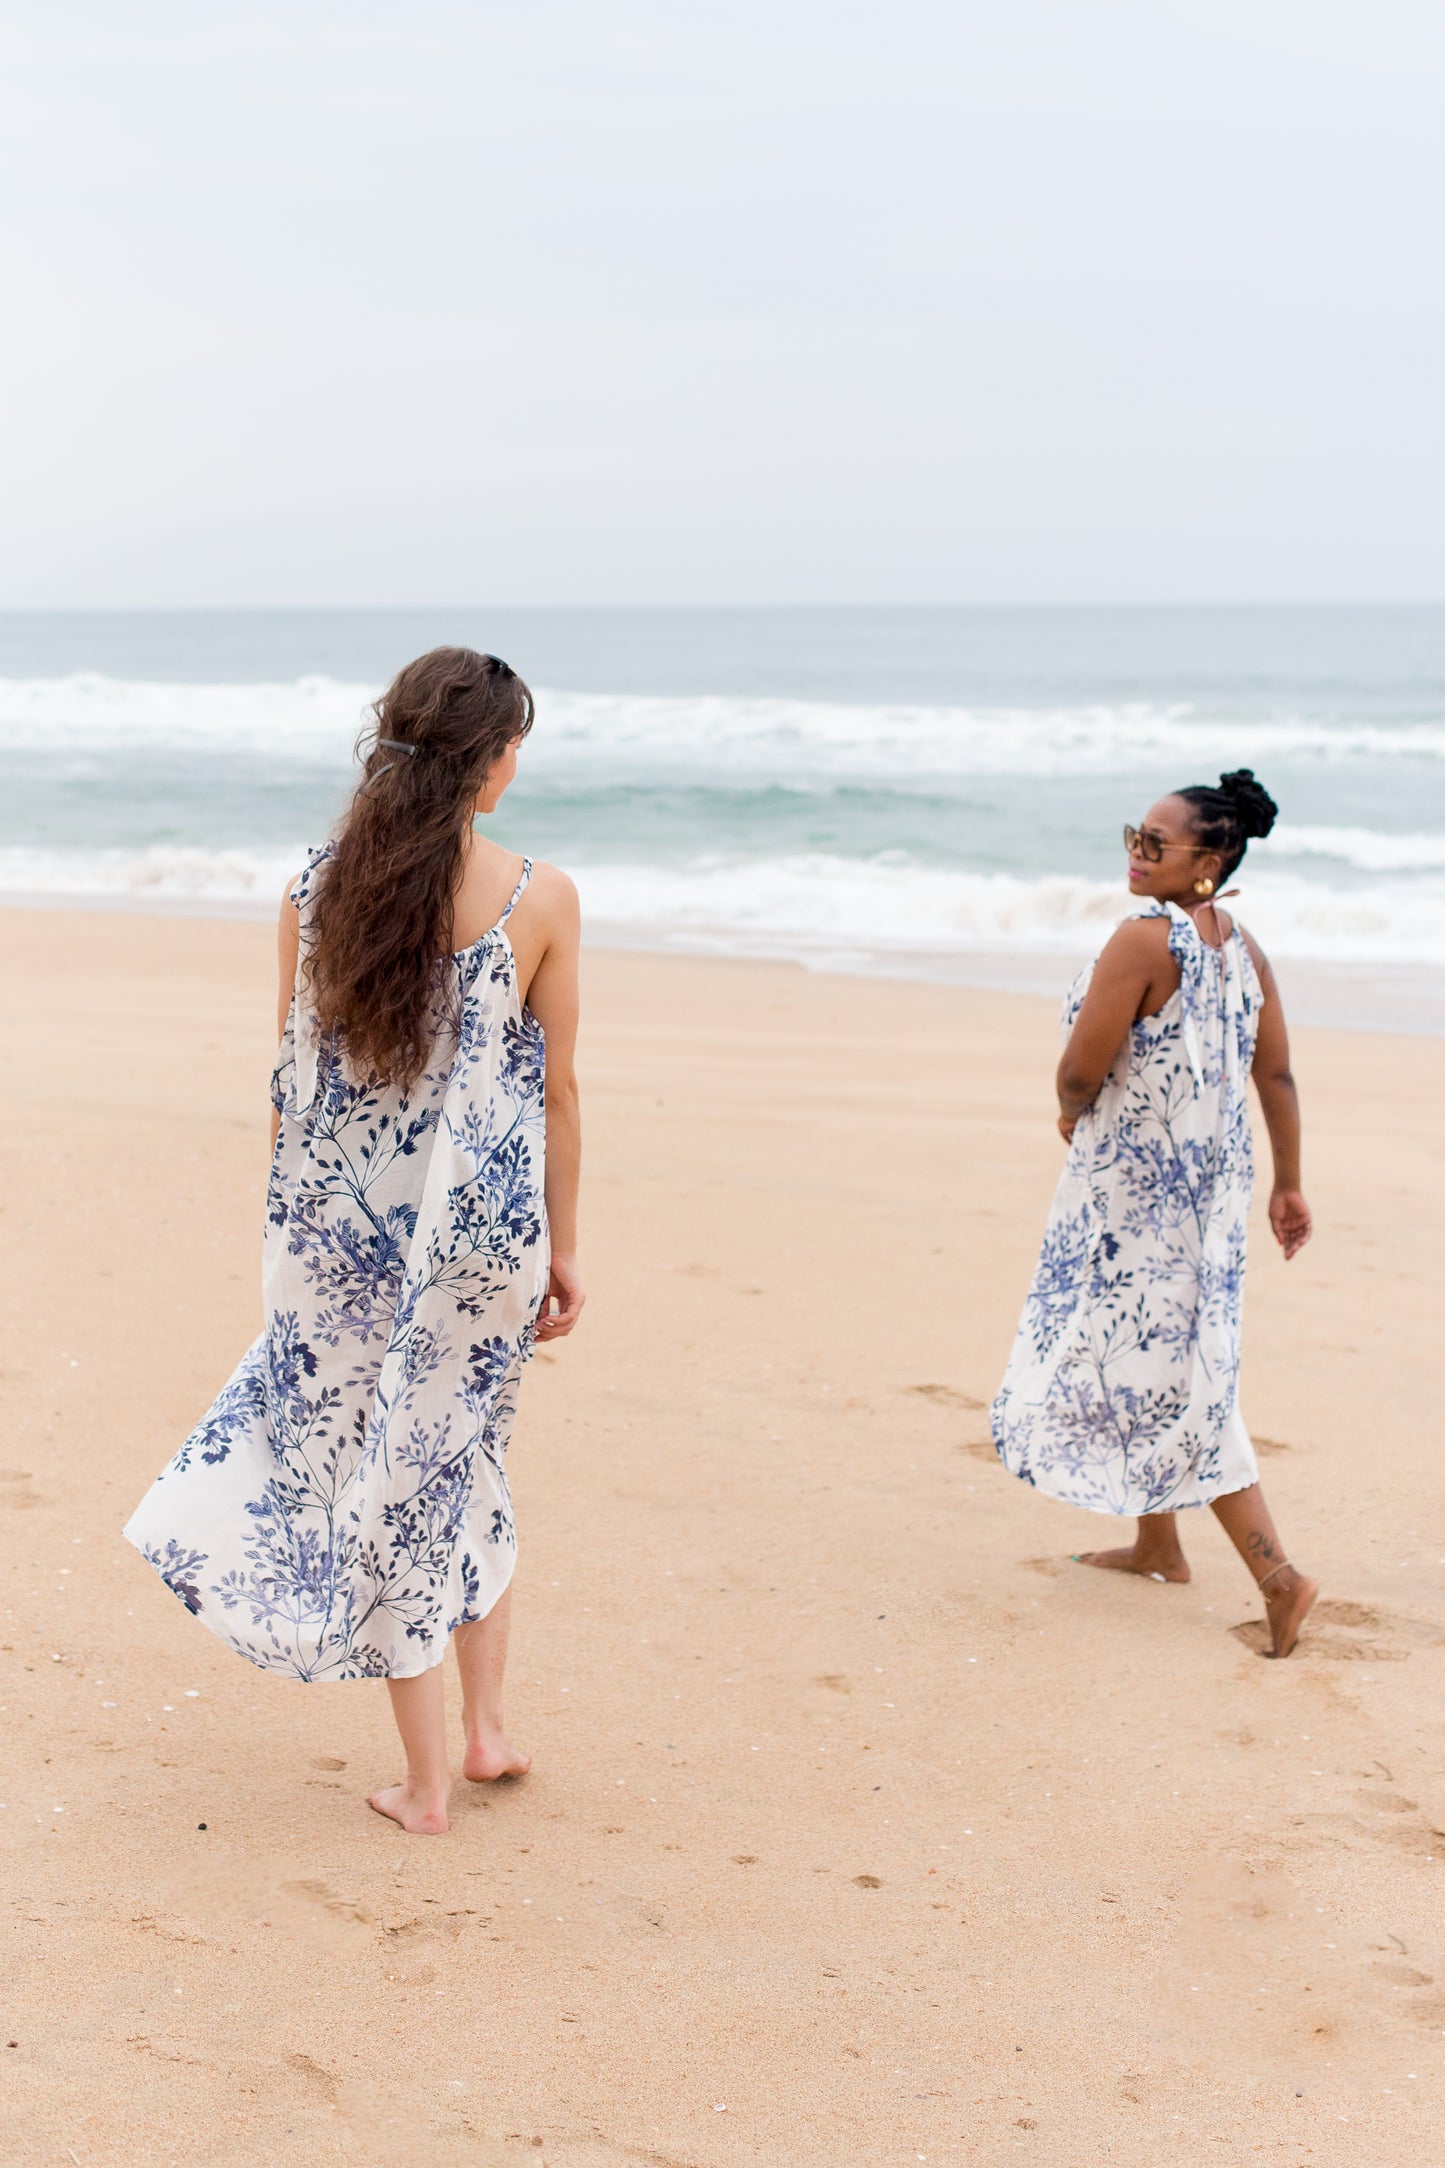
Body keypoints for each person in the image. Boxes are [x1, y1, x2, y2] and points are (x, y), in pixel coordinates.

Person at [125, 646, 584, 1830]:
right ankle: (477, 1740)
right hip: (485, 1238)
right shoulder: (541, 895)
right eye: (511, 744)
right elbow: (559, 1094)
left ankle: (429, 1780)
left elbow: (291, 1083)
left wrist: (289, 1235)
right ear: (485, 763)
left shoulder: (312, 889)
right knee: (460, 1458)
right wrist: (563, 1245)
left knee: (381, 1480)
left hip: (339, 1237)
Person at [991, 768, 1317, 1658]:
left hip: (1137, 1195)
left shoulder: (1141, 941)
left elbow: (1077, 1069)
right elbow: (1275, 1075)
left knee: (1178, 1380)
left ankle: (1277, 1577)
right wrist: (1286, 1183)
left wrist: (1068, 1108)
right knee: (1154, 1354)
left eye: (1154, 844)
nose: (1135, 857)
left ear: (1209, 858)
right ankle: (1156, 1544)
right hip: (1208, 1198)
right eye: (1131, 837)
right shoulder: (1242, 948)